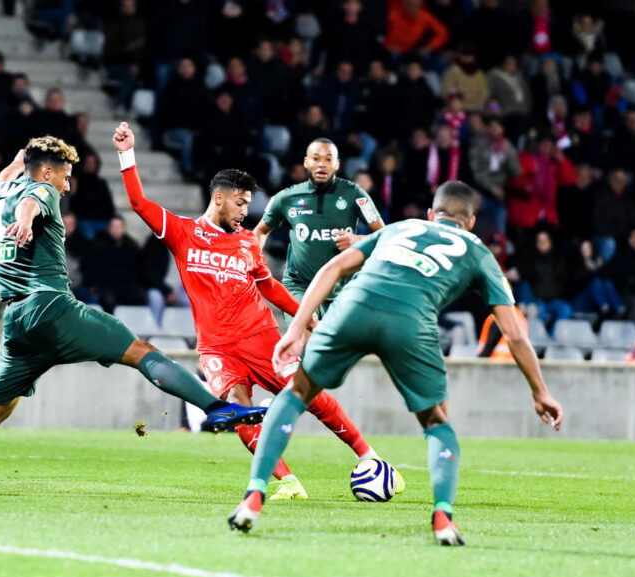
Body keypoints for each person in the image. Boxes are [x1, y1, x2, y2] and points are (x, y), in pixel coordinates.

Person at [0, 136, 268, 494]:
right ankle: (217, 409)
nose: (67, 187)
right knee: (140, 351)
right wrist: (25, 219)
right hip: (52, 308)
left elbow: (6, 176)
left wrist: (21, 158)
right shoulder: (43, 191)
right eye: (65, 177)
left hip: (17, 321)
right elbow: (32, 200)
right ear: (48, 173)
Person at [227, 181, 563, 545]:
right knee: (437, 421)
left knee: (295, 395)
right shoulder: (480, 252)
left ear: (433, 214)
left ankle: (254, 495)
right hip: (411, 321)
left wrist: (295, 328)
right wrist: (540, 391)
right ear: (470, 222)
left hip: (353, 307)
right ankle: (443, 520)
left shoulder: (401, 228)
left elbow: (333, 269)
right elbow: (514, 334)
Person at [115, 122, 380, 501]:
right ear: (219, 199)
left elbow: (269, 286)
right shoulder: (182, 232)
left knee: (306, 392)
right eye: (240, 203)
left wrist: (308, 318)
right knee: (238, 410)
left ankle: (367, 455)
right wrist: (127, 154)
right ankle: (287, 482)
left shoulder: (245, 243)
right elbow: (139, 203)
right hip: (217, 349)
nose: (246, 212)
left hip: (261, 340)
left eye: (248, 204)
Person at [253, 138, 384, 320]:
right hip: (298, 287)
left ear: (337, 164)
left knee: (325, 347)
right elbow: (261, 230)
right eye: (316, 158)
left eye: (328, 159)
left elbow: (385, 236)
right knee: (306, 330)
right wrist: (253, 263)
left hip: (338, 290)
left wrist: (358, 240)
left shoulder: (354, 194)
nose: (322, 164)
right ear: (307, 162)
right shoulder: (286, 197)